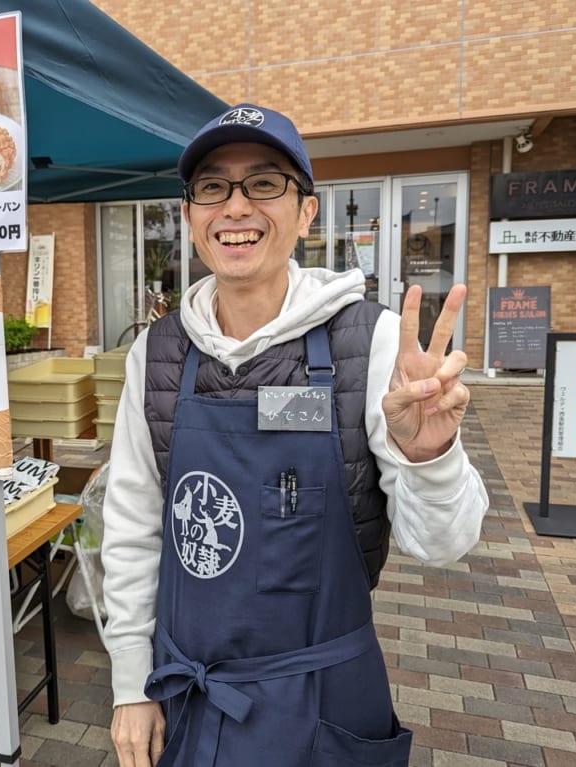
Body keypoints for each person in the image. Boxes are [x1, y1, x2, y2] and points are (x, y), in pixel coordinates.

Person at [100, 104, 490, 767]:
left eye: (264, 183)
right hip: (190, 697)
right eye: (213, 186)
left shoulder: (369, 342)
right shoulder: (157, 352)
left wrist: (429, 457)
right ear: (190, 214)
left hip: (324, 703)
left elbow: (445, 543)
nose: (235, 206)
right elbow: (134, 526)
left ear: (307, 211)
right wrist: (131, 682)